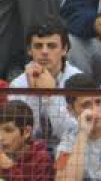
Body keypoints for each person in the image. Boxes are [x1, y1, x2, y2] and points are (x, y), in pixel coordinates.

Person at [9, 22, 81, 151]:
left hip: (70, 151)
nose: (44, 51)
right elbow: (23, 135)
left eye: (51, 46)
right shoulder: (18, 84)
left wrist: (50, 97)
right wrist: (32, 93)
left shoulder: (78, 81)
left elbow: (73, 132)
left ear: (64, 49)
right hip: (31, 154)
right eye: (38, 46)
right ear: (29, 50)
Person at [0, 99, 53, 180]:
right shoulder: (3, 153)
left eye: (8, 130)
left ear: (27, 132)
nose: (0, 137)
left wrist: (9, 169)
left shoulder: (42, 159)